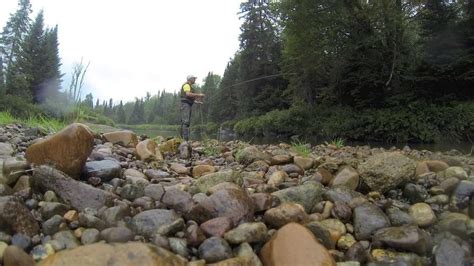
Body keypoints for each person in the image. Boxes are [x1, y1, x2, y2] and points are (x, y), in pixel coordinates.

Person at [180, 75, 205, 141]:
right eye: (194, 78)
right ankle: (185, 140)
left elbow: (190, 98)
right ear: (190, 79)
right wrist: (199, 95)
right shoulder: (186, 85)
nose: (195, 80)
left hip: (187, 105)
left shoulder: (190, 87)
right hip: (185, 105)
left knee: (186, 122)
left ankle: (185, 139)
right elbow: (188, 94)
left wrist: (197, 102)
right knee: (185, 122)